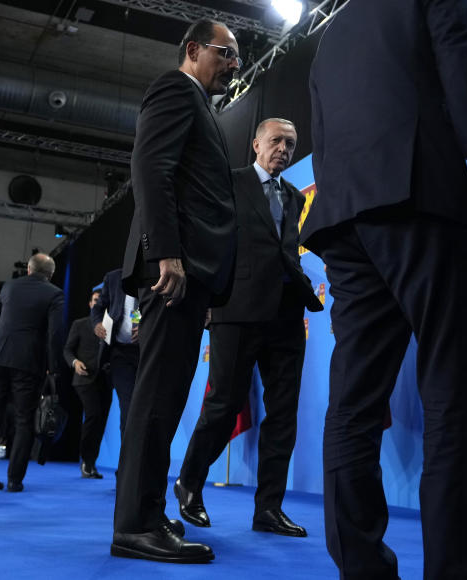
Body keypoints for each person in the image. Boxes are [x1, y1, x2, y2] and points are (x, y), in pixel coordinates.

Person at [302, 0, 467, 578]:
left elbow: (321, 134)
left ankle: (361, 567)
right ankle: (458, 570)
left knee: (353, 403)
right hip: (420, 195)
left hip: (344, 219)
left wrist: (342, 206)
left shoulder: (332, 31)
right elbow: (463, 59)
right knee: (457, 386)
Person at [110, 18, 240, 564]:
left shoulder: (200, 107)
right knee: (158, 399)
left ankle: (144, 510)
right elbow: (150, 168)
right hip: (173, 268)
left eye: (238, 56)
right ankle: (136, 525)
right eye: (225, 52)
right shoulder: (173, 88)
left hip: (192, 275)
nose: (234, 63)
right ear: (191, 50)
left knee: (165, 398)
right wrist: (167, 252)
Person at [175, 118, 322, 537]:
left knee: (283, 416)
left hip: (287, 316)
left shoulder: (294, 197)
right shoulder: (229, 181)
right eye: (276, 141)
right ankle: (189, 482)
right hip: (236, 310)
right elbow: (205, 240)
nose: (284, 149)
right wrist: (203, 296)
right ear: (256, 144)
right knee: (223, 406)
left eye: (291, 144)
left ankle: (269, 509)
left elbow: (284, 250)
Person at [0, 253, 64, 493]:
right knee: (24, 420)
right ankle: (15, 480)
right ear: (51, 274)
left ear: (28, 269)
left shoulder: (9, 286)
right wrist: (53, 366)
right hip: (28, 364)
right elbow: (54, 334)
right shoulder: (54, 294)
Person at [64, 289, 111, 479]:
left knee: (100, 421)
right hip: (84, 378)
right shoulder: (80, 324)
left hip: (106, 379)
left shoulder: (111, 326)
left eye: (101, 301)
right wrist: (75, 363)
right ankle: (86, 461)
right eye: (94, 300)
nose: (97, 303)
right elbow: (67, 349)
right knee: (93, 415)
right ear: (90, 304)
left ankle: (91, 463)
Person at [89, 268, 139, 443]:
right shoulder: (113, 278)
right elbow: (97, 310)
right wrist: (96, 325)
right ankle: (126, 465)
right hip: (120, 354)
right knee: (129, 406)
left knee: (142, 409)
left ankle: (138, 464)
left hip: (146, 354)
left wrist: (146, 328)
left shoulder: (154, 275)